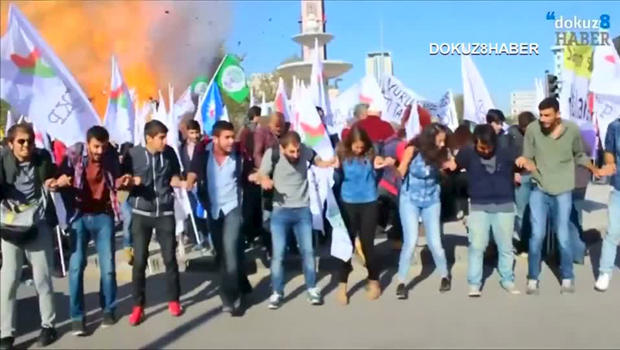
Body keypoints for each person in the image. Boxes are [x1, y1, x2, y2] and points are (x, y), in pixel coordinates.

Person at [515, 97, 601, 294]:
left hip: (563, 190)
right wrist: (524, 161)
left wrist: (593, 168)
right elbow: (528, 156)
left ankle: (567, 277)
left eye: (547, 115)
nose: (543, 119)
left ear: (557, 114)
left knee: (563, 235)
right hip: (539, 188)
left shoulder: (571, 130)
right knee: (537, 235)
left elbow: (579, 154)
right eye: (541, 115)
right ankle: (533, 278)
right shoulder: (532, 130)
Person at [249, 131, 337, 310]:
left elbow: (316, 160)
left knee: (308, 252)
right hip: (280, 211)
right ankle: (277, 292)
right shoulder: (272, 154)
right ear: (282, 149)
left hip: (302, 210)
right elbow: (261, 174)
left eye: (297, 151)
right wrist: (264, 179)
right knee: (279, 254)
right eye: (291, 152)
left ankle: (312, 288)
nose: (296, 155)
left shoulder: (304, 150)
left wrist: (327, 163)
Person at [55, 126, 124, 335]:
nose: (99, 151)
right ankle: (77, 316)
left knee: (109, 267)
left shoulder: (111, 155)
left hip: (104, 216)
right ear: (87, 143)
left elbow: (119, 182)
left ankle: (109, 309)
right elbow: (58, 178)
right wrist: (60, 181)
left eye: (103, 147)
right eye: (96, 147)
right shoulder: (74, 154)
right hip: (79, 216)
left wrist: (123, 183)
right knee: (76, 267)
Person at [121, 120, 185, 325]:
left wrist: (181, 183)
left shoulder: (170, 153)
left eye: (165, 137)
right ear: (149, 138)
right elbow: (123, 181)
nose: (164, 141)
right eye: (161, 137)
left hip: (165, 212)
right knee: (139, 261)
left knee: (170, 259)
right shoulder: (133, 155)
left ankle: (174, 300)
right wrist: (130, 182)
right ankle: (138, 306)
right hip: (141, 213)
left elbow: (173, 177)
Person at [0, 123, 58, 348]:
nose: (26, 146)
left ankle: (48, 326)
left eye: (30, 141)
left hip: (38, 224)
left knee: (43, 279)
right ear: (10, 143)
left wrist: (53, 182)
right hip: (11, 226)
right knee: (9, 280)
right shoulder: (3, 161)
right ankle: (6, 333)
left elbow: (52, 176)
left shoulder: (42, 158)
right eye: (21, 141)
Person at [186, 121, 253, 316]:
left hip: (232, 208)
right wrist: (190, 181)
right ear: (216, 139)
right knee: (222, 254)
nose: (231, 141)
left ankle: (232, 297)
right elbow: (194, 170)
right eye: (227, 137)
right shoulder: (203, 152)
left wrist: (258, 177)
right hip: (213, 210)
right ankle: (241, 284)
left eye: (233, 137)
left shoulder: (238, 154)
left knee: (231, 250)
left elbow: (248, 172)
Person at [447, 125, 520, 296]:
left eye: (488, 147)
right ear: (475, 143)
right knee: (477, 246)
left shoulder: (506, 152)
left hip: (505, 204)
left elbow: (520, 166)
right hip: (479, 205)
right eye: (481, 147)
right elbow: (455, 167)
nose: (485, 151)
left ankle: (507, 279)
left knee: (505, 246)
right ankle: (474, 283)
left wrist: (523, 165)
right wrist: (450, 165)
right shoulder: (467, 152)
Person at [333, 126, 395, 305]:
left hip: (369, 201)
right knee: (346, 246)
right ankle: (342, 285)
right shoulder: (342, 155)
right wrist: (335, 169)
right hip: (348, 203)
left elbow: (378, 173)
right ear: (350, 144)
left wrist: (380, 166)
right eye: (356, 147)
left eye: (361, 147)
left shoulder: (372, 153)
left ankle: (374, 280)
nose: (359, 150)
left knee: (368, 245)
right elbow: (336, 179)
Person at [395, 123, 453, 299]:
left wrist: (450, 166)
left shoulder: (443, 152)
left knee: (435, 242)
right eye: (440, 140)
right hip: (410, 199)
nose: (443, 144)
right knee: (410, 242)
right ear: (430, 138)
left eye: (444, 141)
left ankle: (444, 276)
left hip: (432, 200)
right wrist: (394, 170)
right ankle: (401, 281)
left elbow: (449, 167)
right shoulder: (413, 150)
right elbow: (401, 170)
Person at [595, 118, 620, 291]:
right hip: (619, 187)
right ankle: (605, 272)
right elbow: (609, 151)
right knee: (613, 231)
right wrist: (610, 164)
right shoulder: (614, 126)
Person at [507, 112, 537, 251]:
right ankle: (524, 242)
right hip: (521, 177)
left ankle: (535, 241)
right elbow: (507, 157)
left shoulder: (539, 133)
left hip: (537, 176)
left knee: (536, 211)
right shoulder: (511, 137)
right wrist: (513, 172)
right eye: (525, 128)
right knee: (521, 212)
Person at [179, 120, 209, 250]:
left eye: (197, 132)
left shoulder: (205, 146)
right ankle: (199, 238)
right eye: (192, 133)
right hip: (188, 186)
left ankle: (209, 238)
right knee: (193, 212)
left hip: (203, 184)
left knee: (205, 212)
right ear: (187, 133)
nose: (195, 135)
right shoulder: (181, 148)